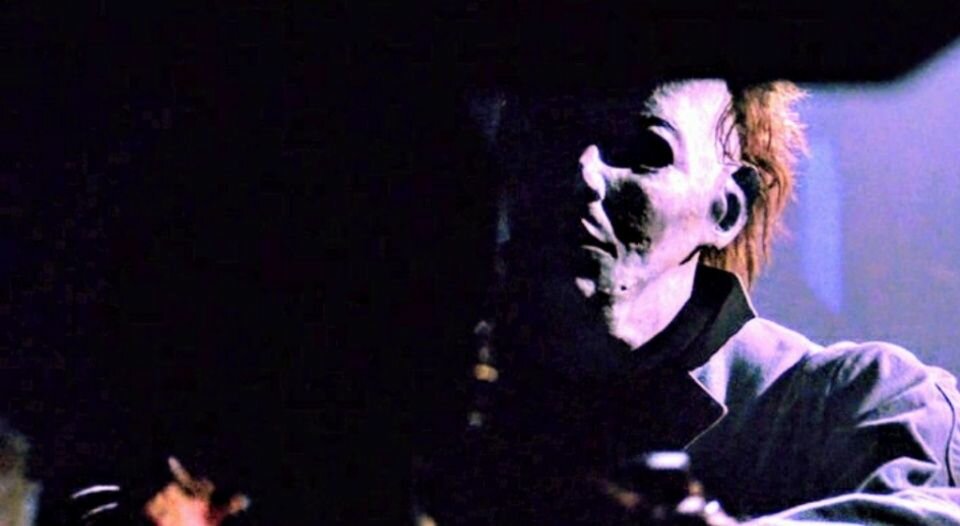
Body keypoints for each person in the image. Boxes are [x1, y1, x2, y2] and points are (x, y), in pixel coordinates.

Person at [414, 79, 960, 524]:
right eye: (549, 136)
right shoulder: (425, 401)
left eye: (645, 150)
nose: (583, 175)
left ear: (727, 208)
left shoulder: (862, 403)